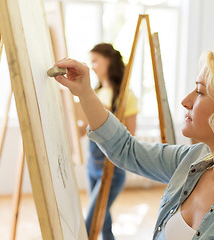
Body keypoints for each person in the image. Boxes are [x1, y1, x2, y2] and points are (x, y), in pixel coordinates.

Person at [55, 44, 214, 239]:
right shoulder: (191, 160)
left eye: (200, 92)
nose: (185, 101)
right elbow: (126, 149)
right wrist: (85, 92)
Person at [78, 43, 138, 240]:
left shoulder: (126, 96)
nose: (92, 66)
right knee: (103, 220)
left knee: (93, 219)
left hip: (112, 168)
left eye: (95, 61)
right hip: (92, 165)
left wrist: (108, 117)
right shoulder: (92, 94)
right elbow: (83, 130)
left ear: (109, 62)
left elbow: (130, 135)